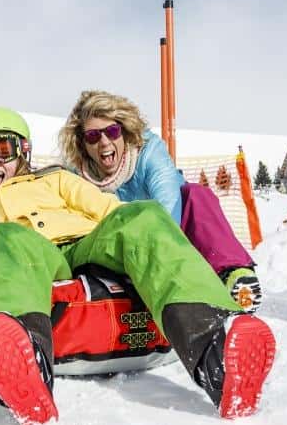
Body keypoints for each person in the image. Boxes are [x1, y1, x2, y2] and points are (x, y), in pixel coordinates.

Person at [0, 107, 276, 425]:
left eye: (1, 149)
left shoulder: (55, 179)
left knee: (143, 215)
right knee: (2, 236)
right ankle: (25, 370)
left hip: (87, 248)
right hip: (32, 259)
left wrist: (143, 234)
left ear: (22, 152)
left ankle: (221, 361)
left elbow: (108, 211)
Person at [58, 90, 261, 310]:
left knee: (195, 195)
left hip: (173, 236)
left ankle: (234, 275)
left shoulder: (149, 151)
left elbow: (168, 208)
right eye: (93, 136)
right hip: (119, 249)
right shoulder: (75, 176)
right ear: (82, 143)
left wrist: (161, 258)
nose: (104, 142)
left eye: (112, 131)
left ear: (124, 131)